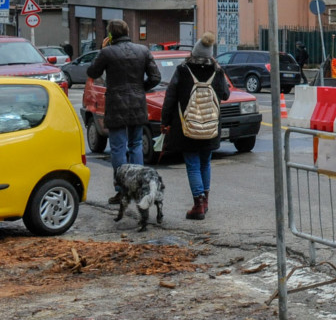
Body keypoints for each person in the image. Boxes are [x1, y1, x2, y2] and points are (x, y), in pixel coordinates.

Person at [86, 19, 161, 203]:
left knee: (118, 147)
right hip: (137, 103)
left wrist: (101, 50)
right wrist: (140, 88)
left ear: (111, 35)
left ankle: (122, 189)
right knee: (135, 144)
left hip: (116, 104)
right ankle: (138, 186)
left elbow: (92, 72)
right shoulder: (143, 50)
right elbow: (155, 77)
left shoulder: (107, 53)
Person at [161, 32, 230, 220]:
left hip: (187, 127)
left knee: (192, 165)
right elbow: (225, 95)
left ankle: (198, 204)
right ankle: (205, 201)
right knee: (205, 162)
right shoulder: (217, 70)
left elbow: (170, 97)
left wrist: (165, 122)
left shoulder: (183, 70)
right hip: (210, 126)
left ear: (194, 51)